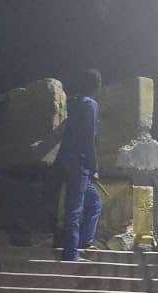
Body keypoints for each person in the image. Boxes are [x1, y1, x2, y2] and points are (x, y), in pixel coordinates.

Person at [55, 69, 102, 261]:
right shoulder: (90, 105)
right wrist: (94, 166)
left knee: (95, 202)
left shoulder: (73, 103)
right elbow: (88, 138)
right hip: (80, 163)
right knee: (75, 207)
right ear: (96, 85)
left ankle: (83, 242)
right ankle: (71, 253)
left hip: (64, 160)